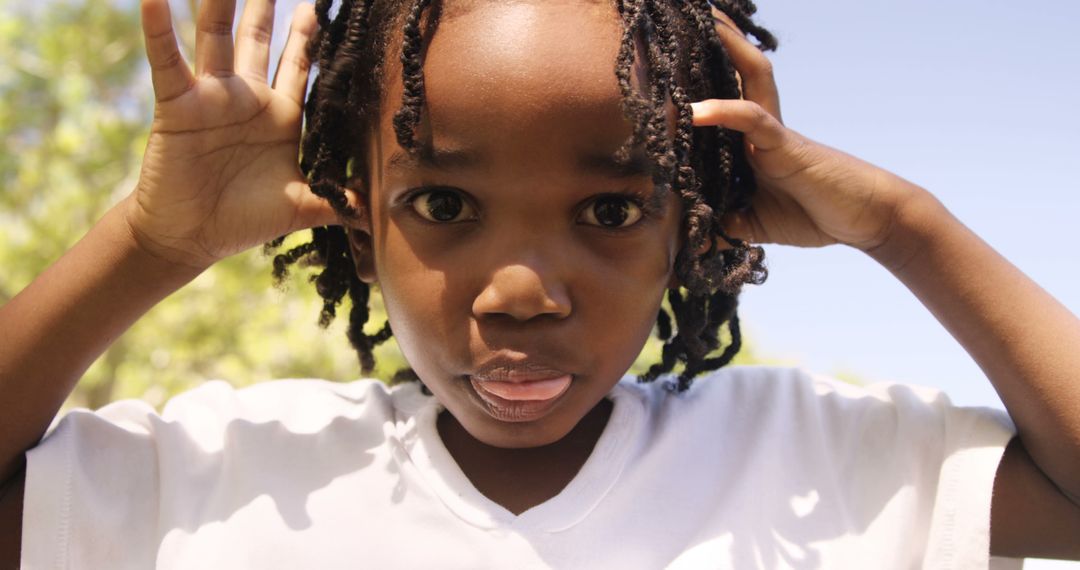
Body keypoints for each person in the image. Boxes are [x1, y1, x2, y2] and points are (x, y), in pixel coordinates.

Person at [1, 0, 1078, 567]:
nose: (520, 290)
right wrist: (151, 246)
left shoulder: (818, 466)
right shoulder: (232, 476)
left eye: (611, 211)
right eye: (443, 205)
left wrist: (906, 228)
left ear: (694, 230)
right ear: (357, 221)